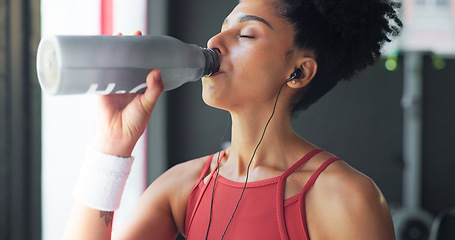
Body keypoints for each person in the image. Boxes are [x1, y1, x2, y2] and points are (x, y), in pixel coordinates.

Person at [62, 0, 402, 239]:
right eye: (223, 29)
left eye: (246, 34)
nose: (214, 43)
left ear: (298, 71)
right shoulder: (182, 186)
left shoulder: (346, 198)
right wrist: (111, 146)